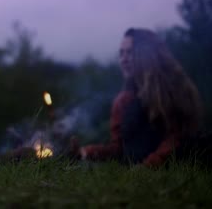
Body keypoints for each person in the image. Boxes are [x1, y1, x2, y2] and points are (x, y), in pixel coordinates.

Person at [74, 28, 202, 167]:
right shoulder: (123, 100)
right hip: (137, 176)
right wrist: (85, 152)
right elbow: (119, 148)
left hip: (171, 172)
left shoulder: (172, 90)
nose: (124, 59)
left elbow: (176, 139)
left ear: (148, 54)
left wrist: (146, 167)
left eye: (130, 52)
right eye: (121, 54)